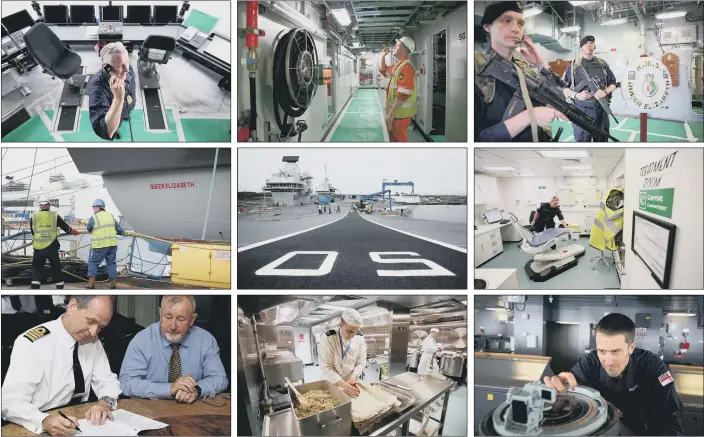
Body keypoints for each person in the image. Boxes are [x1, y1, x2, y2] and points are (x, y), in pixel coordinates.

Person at [544, 313, 683, 435]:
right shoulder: (589, 363)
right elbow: (572, 397)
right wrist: (559, 392)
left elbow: (670, 420)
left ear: (631, 347)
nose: (608, 361)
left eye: (616, 351)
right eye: (602, 351)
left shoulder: (653, 367)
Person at [2, 296, 121, 436]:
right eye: (90, 321)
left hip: (82, 422)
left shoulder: (92, 341)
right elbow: (9, 402)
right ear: (72, 307)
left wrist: (104, 403)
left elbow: (107, 380)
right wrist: (45, 420)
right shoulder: (33, 343)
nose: (93, 332)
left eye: (100, 327)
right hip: (37, 425)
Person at [475, 2, 568, 142]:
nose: (515, 29)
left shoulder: (522, 68)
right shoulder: (477, 69)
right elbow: (476, 140)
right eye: (507, 21)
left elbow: (557, 98)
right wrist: (529, 116)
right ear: (488, 27)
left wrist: (541, 65)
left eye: (520, 23)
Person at [119, 296, 228, 403]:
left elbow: (220, 379)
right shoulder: (142, 340)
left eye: (181, 319)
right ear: (160, 314)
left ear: (192, 319)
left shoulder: (205, 340)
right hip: (150, 411)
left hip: (194, 410)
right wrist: (170, 389)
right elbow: (126, 383)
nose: (173, 326)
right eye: (168, 317)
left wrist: (197, 390)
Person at [561, 35, 617, 142]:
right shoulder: (572, 66)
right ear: (581, 47)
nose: (589, 45)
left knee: (602, 141)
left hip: (601, 108)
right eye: (586, 44)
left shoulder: (602, 64)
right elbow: (563, 88)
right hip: (581, 109)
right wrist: (577, 95)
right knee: (583, 142)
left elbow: (613, 83)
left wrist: (605, 91)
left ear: (594, 46)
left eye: (591, 43)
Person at [88, 42, 136, 141]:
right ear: (107, 67)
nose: (127, 70)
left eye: (127, 62)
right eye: (120, 66)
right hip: (115, 111)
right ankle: (116, 128)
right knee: (114, 127)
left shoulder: (126, 69)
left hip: (126, 107)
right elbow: (104, 131)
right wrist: (118, 98)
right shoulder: (97, 86)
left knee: (124, 115)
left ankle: (126, 115)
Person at [29, 199, 80, 290]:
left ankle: (35, 285)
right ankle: (59, 285)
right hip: (51, 245)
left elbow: (33, 232)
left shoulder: (34, 216)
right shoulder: (54, 215)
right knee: (55, 266)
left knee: (37, 266)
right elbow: (65, 227)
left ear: (40, 206)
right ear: (48, 205)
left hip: (38, 246)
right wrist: (73, 231)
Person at [319, 308, 367, 398]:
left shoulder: (359, 338)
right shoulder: (329, 337)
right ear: (341, 325)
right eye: (350, 331)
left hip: (350, 382)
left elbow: (361, 362)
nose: (353, 336)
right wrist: (343, 385)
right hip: (331, 382)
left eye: (356, 332)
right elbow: (326, 367)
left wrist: (353, 378)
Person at [379, 36, 417, 142]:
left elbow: (403, 94)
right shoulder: (398, 65)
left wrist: (391, 116)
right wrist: (382, 56)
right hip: (396, 114)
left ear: (404, 49)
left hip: (400, 115)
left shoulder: (406, 67)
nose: (395, 46)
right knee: (394, 140)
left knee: (399, 142)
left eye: (398, 44)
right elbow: (384, 71)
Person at [86, 199, 125, 290]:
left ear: (98, 207)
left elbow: (89, 228)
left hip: (100, 245)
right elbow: (119, 228)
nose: (93, 209)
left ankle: (91, 283)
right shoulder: (111, 216)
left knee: (93, 263)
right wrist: (123, 232)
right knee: (111, 263)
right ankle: (113, 283)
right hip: (112, 245)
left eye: (94, 207)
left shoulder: (94, 218)